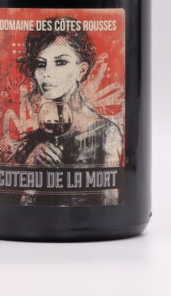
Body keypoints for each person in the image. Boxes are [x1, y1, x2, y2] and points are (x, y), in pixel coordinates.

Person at [12, 26, 123, 205]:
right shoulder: (36, 139)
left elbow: (111, 205)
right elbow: (21, 209)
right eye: (41, 64)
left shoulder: (106, 132)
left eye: (61, 62)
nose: (47, 73)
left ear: (81, 70)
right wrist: (31, 167)